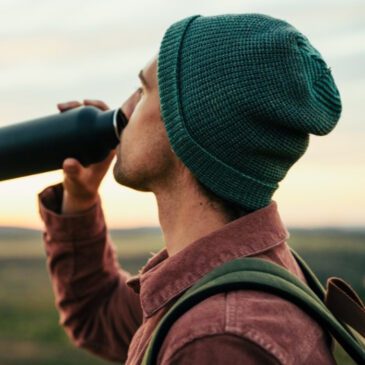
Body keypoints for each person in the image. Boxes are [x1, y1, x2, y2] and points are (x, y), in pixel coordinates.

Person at [38, 13, 342, 364]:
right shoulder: (239, 273)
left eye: (144, 89)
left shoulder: (215, 339)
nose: (123, 110)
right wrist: (81, 199)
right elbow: (97, 315)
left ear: (187, 128)